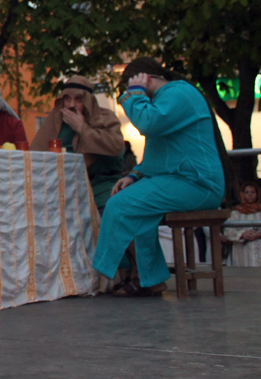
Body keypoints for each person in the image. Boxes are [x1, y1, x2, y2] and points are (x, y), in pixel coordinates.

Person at [91, 57, 229, 297]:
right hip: (185, 181)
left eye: (129, 86)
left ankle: (127, 275)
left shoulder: (178, 93)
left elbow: (148, 124)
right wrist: (135, 175)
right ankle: (148, 279)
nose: (128, 94)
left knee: (120, 205)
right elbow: (159, 151)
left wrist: (135, 94)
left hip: (198, 184)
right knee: (132, 204)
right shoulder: (167, 98)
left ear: (146, 79)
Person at [32, 75, 126, 211]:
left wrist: (82, 128)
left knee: (110, 209)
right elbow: (36, 153)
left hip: (100, 184)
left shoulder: (105, 118)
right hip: (62, 186)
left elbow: (116, 148)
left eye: (78, 100)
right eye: (67, 99)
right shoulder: (55, 122)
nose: (71, 105)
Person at [223, 182, 261, 267]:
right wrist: (242, 234)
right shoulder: (236, 212)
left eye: (252, 192)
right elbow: (228, 230)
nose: (250, 195)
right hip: (243, 251)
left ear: (257, 194)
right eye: (247, 192)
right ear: (242, 194)